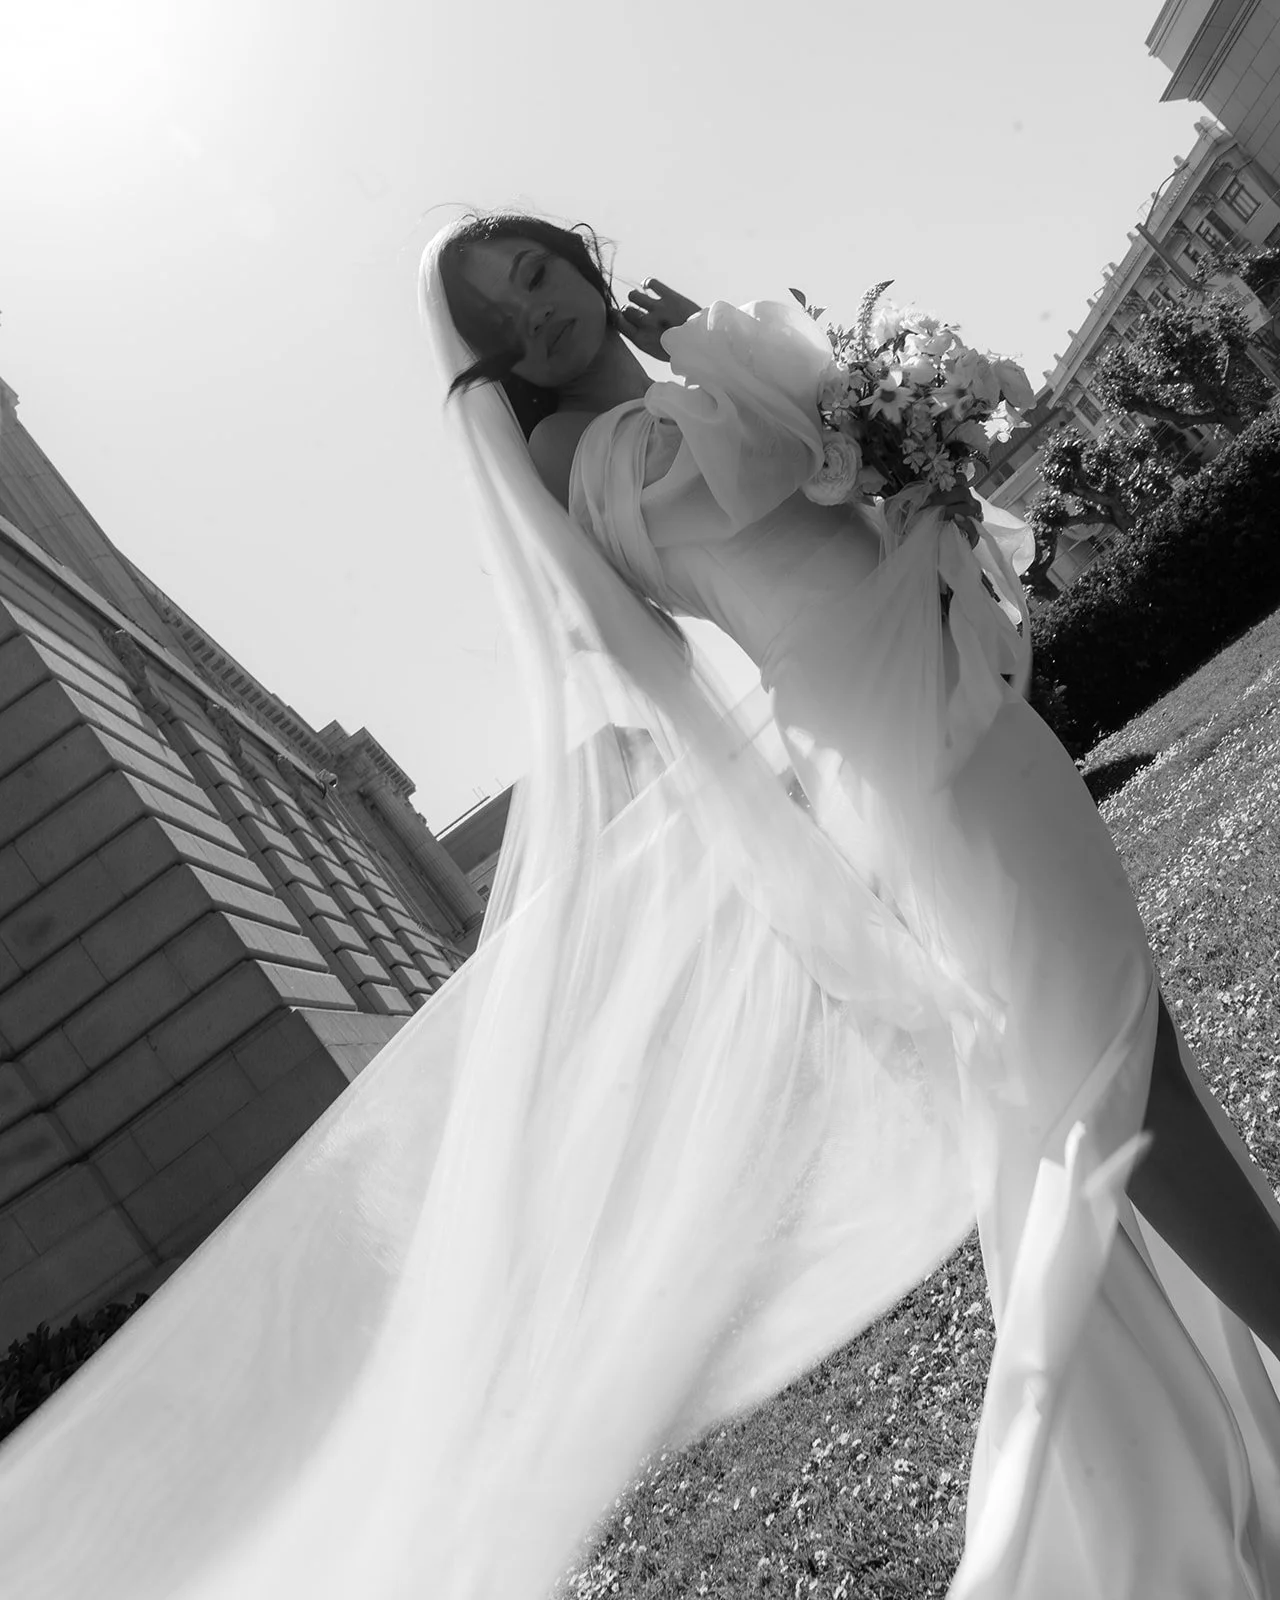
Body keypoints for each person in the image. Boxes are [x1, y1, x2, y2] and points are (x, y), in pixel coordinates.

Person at [0, 209, 1277, 1600]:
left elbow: (840, 483)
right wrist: (742, 363)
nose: (535, 317)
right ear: (497, 368)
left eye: (535, 276)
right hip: (898, 753)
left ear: (579, 257)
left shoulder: (697, 378)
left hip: (954, 704)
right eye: (500, 325)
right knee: (1116, 1076)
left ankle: (1205, 1435)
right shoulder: (579, 457)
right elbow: (762, 476)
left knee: (1124, 1060)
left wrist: (902, 443)